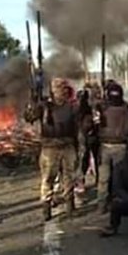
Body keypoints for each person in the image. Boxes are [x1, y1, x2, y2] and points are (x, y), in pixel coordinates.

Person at [25, 78, 81, 221]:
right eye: (58, 88)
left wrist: (78, 146)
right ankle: (46, 207)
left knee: (69, 177)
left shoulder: (71, 107)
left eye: (63, 88)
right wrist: (32, 103)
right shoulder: (45, 107)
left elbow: (76, 128)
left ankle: (70, 207)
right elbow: (29, 117)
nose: (61, 91)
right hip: (50, 148)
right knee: (48, 179)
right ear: (53, 90)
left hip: (67, 145)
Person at [96, 82, 128, 213]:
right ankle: (106, 204)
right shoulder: (104, 108)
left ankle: (107, 205)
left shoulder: (123, 108)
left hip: (116, 146)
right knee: (110, 179)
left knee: (110, 179)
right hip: (109, 146)